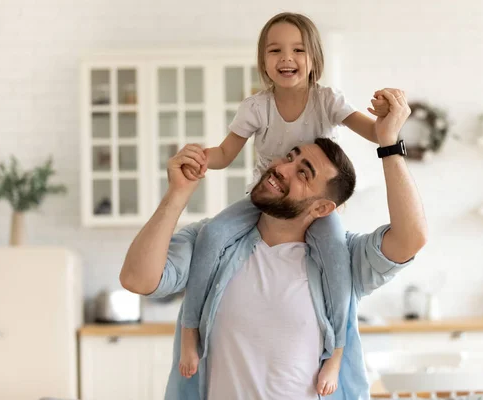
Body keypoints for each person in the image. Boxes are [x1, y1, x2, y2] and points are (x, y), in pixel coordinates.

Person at [120, 87, 428, 400]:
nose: (281, 168)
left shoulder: (343, 260)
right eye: (290, 157)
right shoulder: (212, 243)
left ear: (321, 208)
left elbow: (410, 238)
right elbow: (137, 279)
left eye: (303, 174)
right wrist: (178, 194)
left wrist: (389, 144)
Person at [176, 12, 390, 395]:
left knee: (337, 267)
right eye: (275, 50)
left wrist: (388, 116)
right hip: (263, 201)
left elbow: (375, 132)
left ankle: (337, 352)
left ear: (314, 59)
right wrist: (198, 157)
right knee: (211, 236)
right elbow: (226, 153)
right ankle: (191, 329)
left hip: (316, 209)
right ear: (264, 62)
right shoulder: (256, 107)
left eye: (297, 49)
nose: (286, 58)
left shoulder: (327, 100)